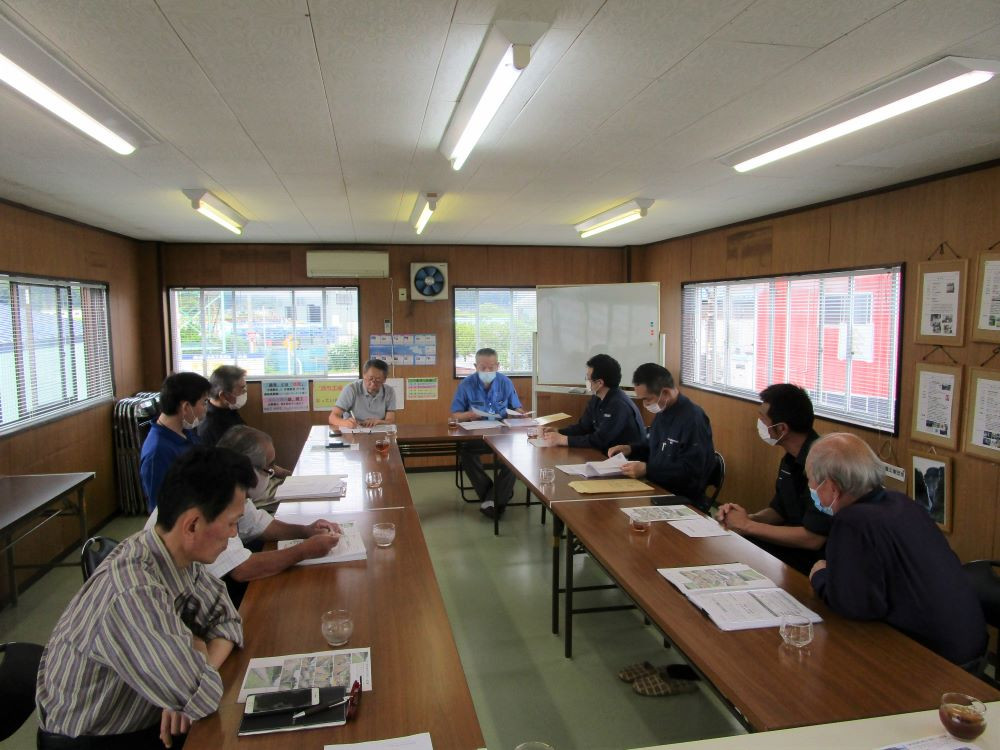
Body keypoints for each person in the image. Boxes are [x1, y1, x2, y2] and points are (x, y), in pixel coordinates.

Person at [36, 447, 253, 749]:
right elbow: (201, 695)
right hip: (95, 741)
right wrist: (190, 668)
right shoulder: (131, 590)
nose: (233, 534)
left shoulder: (171, 553)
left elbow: (227, 619)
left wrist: (195, 659)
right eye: (231, 523)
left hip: (140, 716)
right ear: (192, 524)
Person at [806, 433, 986, 666]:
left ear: (830, 486)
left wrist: (820, 576)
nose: (809, 487)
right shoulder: (902, 503)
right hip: (970, 645)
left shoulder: (853, 522)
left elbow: (857, 605)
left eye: (810, 480)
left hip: (934, 661)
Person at [145, 426, 342, 607]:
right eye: (268, 468)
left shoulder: (229, 484)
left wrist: (305, 530)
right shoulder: (214, 497)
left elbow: (258, 525)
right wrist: (304, 550)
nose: (272, 473)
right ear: (247, 465)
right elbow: (242, 569)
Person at [716, 384, 830, 574]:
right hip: (792, 547)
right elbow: (779, 511)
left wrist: (748, 525)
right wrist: (742, 519)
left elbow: (813, 538)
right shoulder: (790, 458)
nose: (759, 423)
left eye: (762, 418)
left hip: (815, 562)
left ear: (782, 428)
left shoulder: (824, 463)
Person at [608, 364, 715, 511]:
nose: (645, 404)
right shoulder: (663, 411)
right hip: (655, 487)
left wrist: (648, 469)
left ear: (665, 393)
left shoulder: (693, 419)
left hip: (681, 499)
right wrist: (630, 449)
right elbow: (653, 447)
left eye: (647, 399)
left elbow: (692, 472)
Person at [450, 347, 522, 518]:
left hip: (502, 435)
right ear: (476, 366)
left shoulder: (506, 382)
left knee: (514, 460)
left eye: (491, 367)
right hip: (476, 435)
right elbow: (456, 414)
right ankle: (496, 497)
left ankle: (491, 500)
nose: (487, 371)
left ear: (498, 365)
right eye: (483, 368)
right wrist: (469, 414)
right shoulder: (466, 384)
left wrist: (520, 414)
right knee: (466, 453)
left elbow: (516, 407)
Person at [198, 365, 291, 478]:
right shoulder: (211, 426)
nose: (245, 392)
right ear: (223, 395)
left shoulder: (228, 411)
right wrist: (272, 471)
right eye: (241, 389)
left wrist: (275, 469)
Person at [541, 353, 645, 453]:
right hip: (604, 455)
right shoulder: (597, 398)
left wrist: (563, 440)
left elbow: (600, 440)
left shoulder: (618, 404)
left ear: (599, 383)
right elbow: (583, 427)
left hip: (626, 462)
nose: (586, 381)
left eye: (588, 378)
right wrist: (558, 431)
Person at [140, 372, 210, 511]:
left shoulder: (185, 431)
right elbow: (161, 509)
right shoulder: (158, 452)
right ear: (186, 407)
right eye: (204, 403)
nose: (206, 409)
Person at [329, 359, 397, 428]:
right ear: (364, 375)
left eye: (378, 380)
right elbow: (332, 417)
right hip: (354, 432)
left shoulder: (389, 391)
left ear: (384, 379)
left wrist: (379, 422)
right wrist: (345, 423)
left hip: (378, 432)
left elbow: (390, 420)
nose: (373, 383)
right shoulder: (351, 389)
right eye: (370, 378)